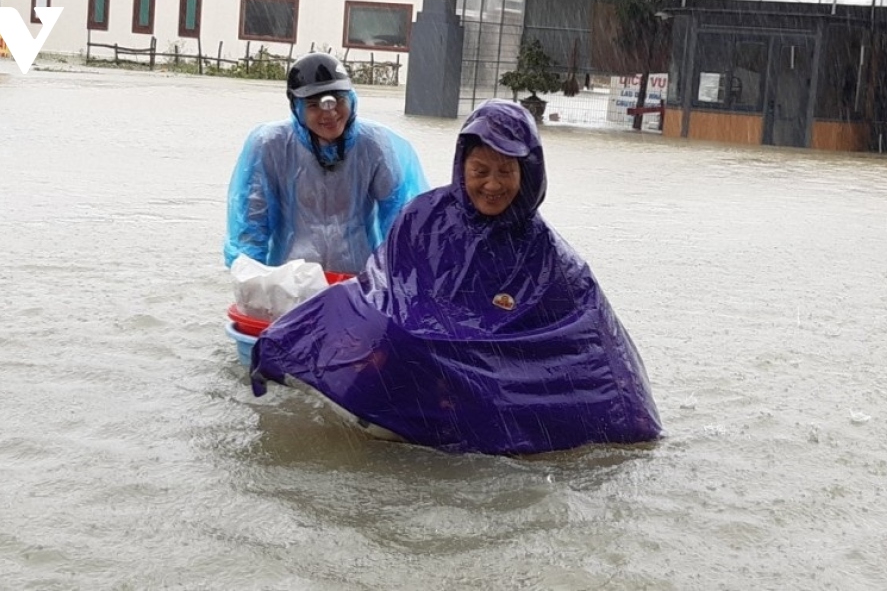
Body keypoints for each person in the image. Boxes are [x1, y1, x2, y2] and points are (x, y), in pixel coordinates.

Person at [249, 99, 662, 455]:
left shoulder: (551, 256)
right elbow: (379, 289)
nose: (492, 185)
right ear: (461, 166)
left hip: (493, 389)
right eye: (480, 170)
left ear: (528, 172)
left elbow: (594, 345)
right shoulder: (422, 218)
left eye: (506, 171)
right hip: (423, 370)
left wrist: (633, 422)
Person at [224, 52, 428, 276]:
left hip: (356, 283)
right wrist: (252, 280)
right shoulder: (271, 145)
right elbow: (251, 225)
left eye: (339, 101)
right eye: (314, 105)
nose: (329, 113)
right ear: (296, 107)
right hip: (290, 281)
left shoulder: (375, 145)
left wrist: (398, 277)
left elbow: (399, 218)